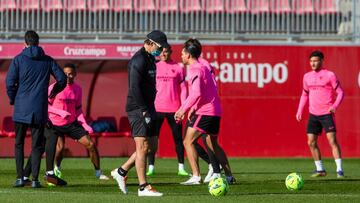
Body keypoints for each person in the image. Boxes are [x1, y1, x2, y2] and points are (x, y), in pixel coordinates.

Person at [111, 30, 169, 197]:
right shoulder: (138, 60)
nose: (161, 51)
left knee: (152, 147)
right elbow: (134, 88)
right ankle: (143, 187)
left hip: (149, 106)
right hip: (138, 108)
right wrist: (144, 110)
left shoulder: (151, 58)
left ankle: (121, 172)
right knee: (142, 146)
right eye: (159, 47)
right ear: (149, 43)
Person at [6, 30, 67, 188]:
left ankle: (20, 178)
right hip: (39, 109)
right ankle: (35, 180)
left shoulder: (18, 59)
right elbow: (62, 79)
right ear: (38, 43)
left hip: (21, 108)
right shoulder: (47, 60)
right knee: (36, 145)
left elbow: (9, 83)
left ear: (25, 43)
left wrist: (13, 99)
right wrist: (54, 91)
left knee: (19, 144)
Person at [174, 38, 235, 185]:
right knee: (213, 143)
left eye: (182, 53)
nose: (181, 56)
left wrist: (183, 109)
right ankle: (229, 176)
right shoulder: (204, 67)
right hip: (215, 111)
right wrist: (194, 107)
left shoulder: (195, 68)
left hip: (206, 111)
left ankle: (196, 176)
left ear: (188, 55)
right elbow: (208, 90)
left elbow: (196, 93)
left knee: (187, 141)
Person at [296, 50, 345, 178]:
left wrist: (334, 106)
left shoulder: (330, 75)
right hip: (313, 114)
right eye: (311, 61)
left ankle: (339, 170)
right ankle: (320, 169)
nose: (313, 63)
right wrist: (300, 110)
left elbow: (340, 92)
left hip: (326, 113)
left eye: (316, 61)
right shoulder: (307, 76)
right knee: (311, 142)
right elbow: (304, 94)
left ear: (322, 61)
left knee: (332, 140)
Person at [145, 45, 189, 177]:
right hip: (156, 109)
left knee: (178, 139)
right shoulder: (154, 66)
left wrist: (182, 107)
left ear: (170, 52)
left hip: (174, 109)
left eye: (166, 52)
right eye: (161, 52)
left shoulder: (178, 68)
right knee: (153, 139)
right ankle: (151, 167)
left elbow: (184, 89)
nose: (163, 54)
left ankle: (181, 167)